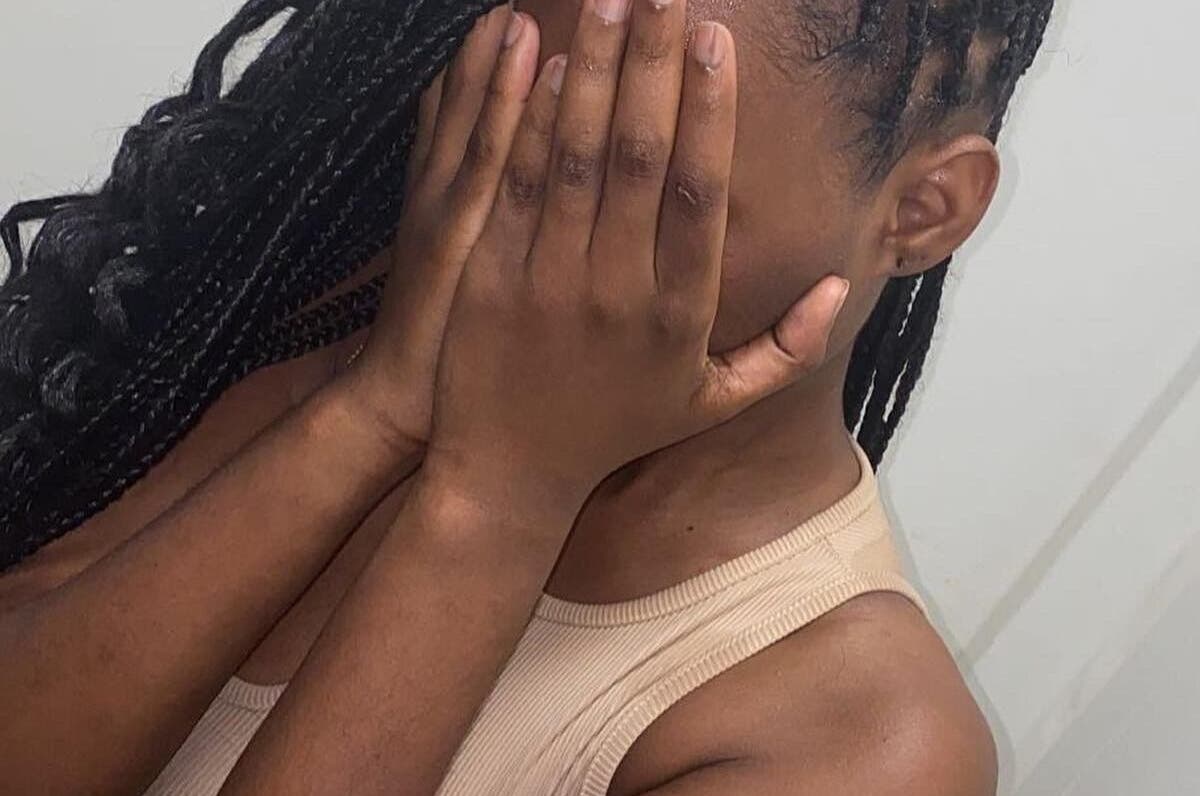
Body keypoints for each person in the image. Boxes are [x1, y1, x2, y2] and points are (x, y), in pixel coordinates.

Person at [0, 0, 1053, 793]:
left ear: (923, 210)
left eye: (644, 181)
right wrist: (374, 406)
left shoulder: (863, 739)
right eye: (523, 127)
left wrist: (502, 496)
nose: (525, 232)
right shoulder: (372, 279)